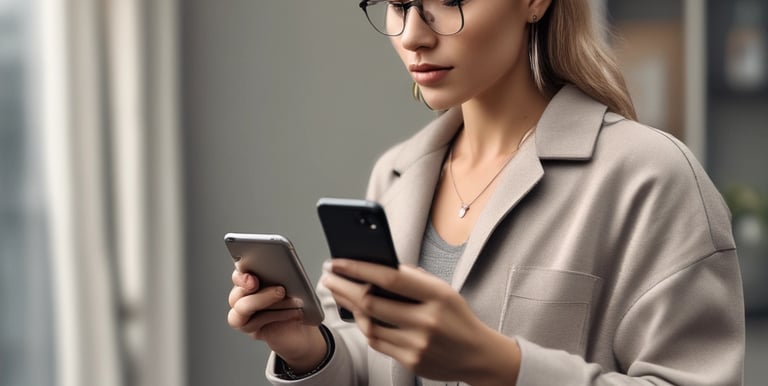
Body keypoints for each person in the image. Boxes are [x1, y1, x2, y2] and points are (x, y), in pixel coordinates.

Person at [227, 0, 746, 384]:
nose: (413, 36)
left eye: (450, 1)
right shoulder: (396, 175)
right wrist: (309, 352)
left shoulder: (650, 177)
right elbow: (374, 364)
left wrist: (498, 364)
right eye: (398, 5)